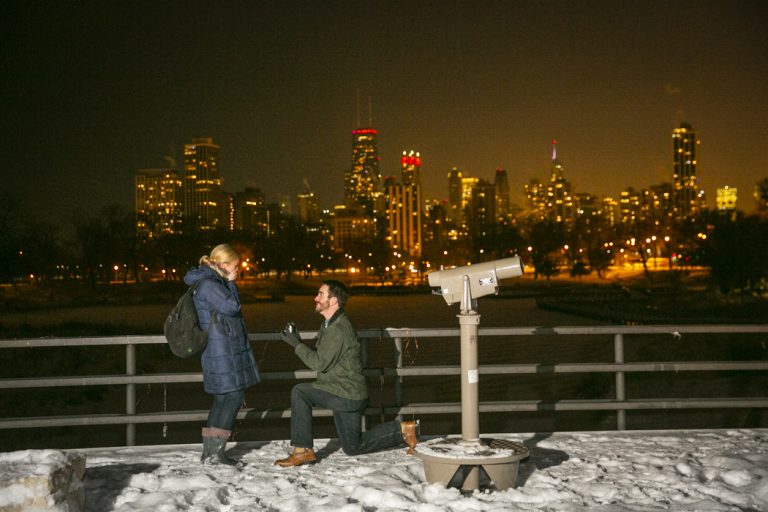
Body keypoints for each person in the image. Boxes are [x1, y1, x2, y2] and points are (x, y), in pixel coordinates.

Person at [274, 279, 418, 467]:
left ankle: (302, 451)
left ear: (333, 301)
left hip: (345, 393)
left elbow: (318, 363)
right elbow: (326, 355)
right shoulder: (330, 324)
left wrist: (296, 344)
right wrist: (298, 341)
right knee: (353, 447)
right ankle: (404, 430)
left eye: (320, 295)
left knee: (300, 392)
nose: (315, 298)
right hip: (345, 392)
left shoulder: (338, 328)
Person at [183, 243, 260, 465]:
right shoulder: (209, 284)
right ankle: (216, 453)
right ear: (223, 265)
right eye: (235, 266)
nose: (238, 270)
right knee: (233, 396)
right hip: (221, 349)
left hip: (221, 347)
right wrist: (232, 282)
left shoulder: (210, 281)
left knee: (223, 398)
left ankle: (211, 453)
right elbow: (233, 307)